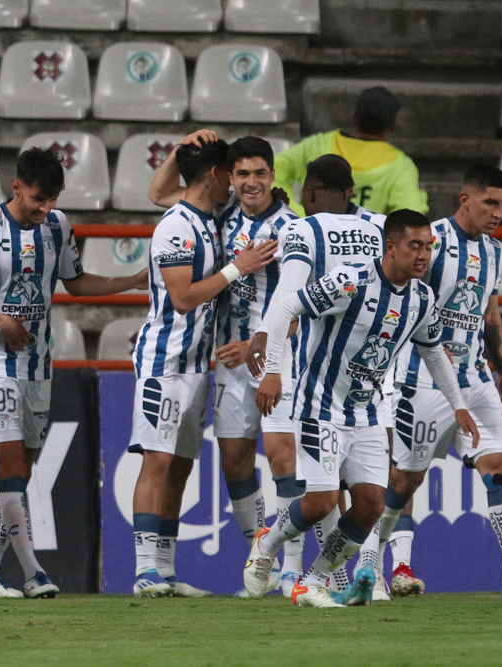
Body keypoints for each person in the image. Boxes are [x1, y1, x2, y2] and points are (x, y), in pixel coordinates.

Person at [243, 209, 477, 607]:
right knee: (321, 501)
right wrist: (273, 372)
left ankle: (313, 581)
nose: (423, 255)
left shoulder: (421, 298)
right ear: (391, 246)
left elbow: (434, 351)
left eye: (428, 247)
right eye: (415, 246)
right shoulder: (350, 281)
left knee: (370, 506)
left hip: (366, 412)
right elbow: (285, 309)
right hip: (320, 404)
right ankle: (268, 543)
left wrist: (459, 405)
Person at [0, 148, 148, 599]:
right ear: (16, 187)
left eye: (53, 199)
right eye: (38, 198)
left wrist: (129, 282)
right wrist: (0, 320)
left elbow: (75, 282)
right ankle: (34, 572)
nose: (46, 208)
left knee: (18, 479)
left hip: (39, 366)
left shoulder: (57, 226)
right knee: (13, 471)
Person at [355, 164, 502, 601]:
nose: (498, 213)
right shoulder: (429, 242)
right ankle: (369, 564)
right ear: (465, 199)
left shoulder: (494, 250)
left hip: (476, 379)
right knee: (402, 483)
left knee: (500, 467)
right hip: (422, 381)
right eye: (490, 203)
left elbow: (489, 312)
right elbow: (397, 295)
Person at [150, 132, 305, 595]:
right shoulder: (222, 213)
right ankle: (264, 559)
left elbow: (305, 307)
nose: (251, 182)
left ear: (273, 176)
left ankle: (292, 569)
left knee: (282, 458)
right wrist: (180, 147)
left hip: (278, 358)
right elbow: (158, 194)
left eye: (259, 173)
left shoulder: (293, 228)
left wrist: (258, 341)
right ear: (229, 178)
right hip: (231, 362)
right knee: (235, 463)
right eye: (242, 174)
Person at [245, 153, 387, 597]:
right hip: (349, 382)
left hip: (339, 382)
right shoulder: (384, 229)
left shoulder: (303, 229)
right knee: (329, 495)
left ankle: (318, 576)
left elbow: (286, 297)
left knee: (366, 498)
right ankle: (294, 560)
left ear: (307, 192)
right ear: (351, 191)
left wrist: (270, 363)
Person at [272, 86, 428, 218]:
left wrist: (297, 213)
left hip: (312, 235)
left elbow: (273, 171)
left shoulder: (318, 144)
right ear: (393, 125)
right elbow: (410, 215)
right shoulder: (401, 165)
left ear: (354, 117)